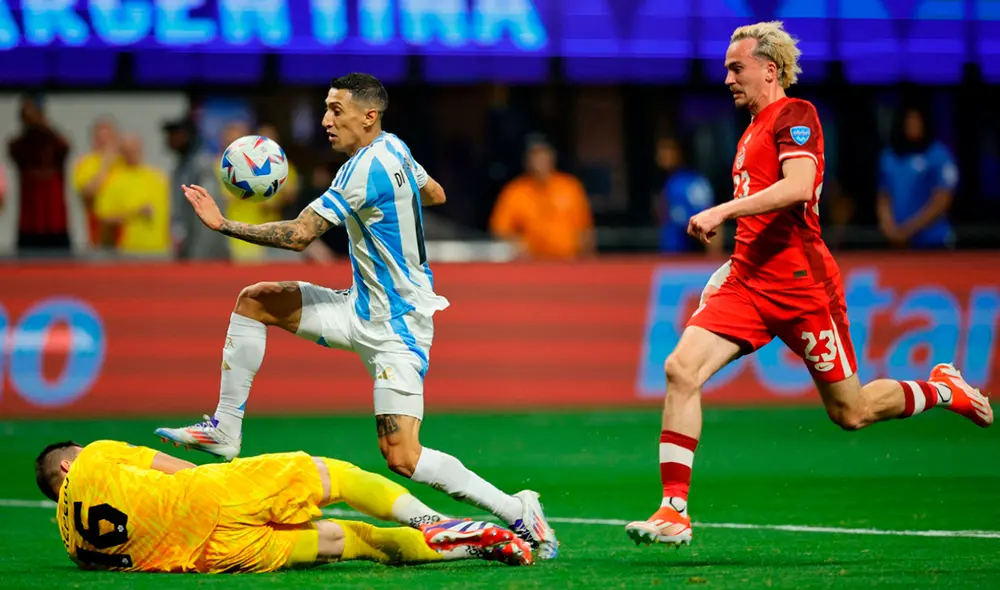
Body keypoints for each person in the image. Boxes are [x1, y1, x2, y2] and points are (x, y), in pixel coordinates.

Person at [153, 73, 559, 559]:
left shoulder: (362, 170)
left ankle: (517, 510)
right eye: (325, 109)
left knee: (402, 457)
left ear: (368, 116)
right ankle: (225, 428)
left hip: (398, 326)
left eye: (336, 110)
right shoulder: (396, 148)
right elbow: (438, 194)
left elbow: (302, 235)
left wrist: (223, 225)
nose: (326, 120)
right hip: (355, 306)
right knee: (255, 299)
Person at [625, 21, 993, 548]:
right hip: (750, 285)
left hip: (804, 290)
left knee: (851, 412)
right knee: (680, 368)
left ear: (769, 70)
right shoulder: (750, 130)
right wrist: (729, 266)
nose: (727, 78)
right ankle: (674, 509)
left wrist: (722, 211)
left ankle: (940, 388)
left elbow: (797, 188)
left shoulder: (796, 115)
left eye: (736, 68)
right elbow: (764, 222)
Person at [35, 439, 531, 572]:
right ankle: (438, 523)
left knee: (352, 542)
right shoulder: (94, 455)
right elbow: (167, 465)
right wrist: (231, 479)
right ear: (65, 468)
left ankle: (475, 550)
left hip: (219, 556)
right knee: (336, 476)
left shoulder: (75, 546)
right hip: (211, 495)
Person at [489, 134, 594, 259]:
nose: (540, 160)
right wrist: (516, 244)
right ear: (527, 160)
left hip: (568, 262)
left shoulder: (570, 187)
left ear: (552, 157)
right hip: (531, 265)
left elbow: (585, 231)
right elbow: (499, 230)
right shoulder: (515, 191)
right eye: (535, 155)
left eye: (543, 154)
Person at [877, 105, 958, 249]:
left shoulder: (939, 155)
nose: (913, 125)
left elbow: (942, 200)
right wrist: (889, 229)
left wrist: (908, 230)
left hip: (934, 243)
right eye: (909, 121)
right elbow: (883, 197)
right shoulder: (889, 157)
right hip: (899, 245)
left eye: (917, 121)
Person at [7, 94, 71, 254]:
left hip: (55, 222)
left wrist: (42, 122)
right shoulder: (20, 144)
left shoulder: (54, 142)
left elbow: (65, 146)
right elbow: (13, 150)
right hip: (29, 222)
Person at [163, 116, 230, 260]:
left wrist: (198, 258)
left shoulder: (201, 166)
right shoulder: (181, 166)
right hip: (188, 250)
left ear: (187, 136)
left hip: (206, 257)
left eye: (175, 134)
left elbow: (207, 214)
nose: (170, 139)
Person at [93, 134, 171, 258]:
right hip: (127, 252)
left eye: (136, 149)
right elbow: (103, 217)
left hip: (160, 250)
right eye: (128, 151)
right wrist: (134, 212)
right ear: (122, 152)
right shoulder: (113, 180)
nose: (133, 154)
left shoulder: (158, 177)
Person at [653, 135, 720, 255]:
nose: (662, 155)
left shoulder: (693, 183)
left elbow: (712, 222)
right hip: (667, 256)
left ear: (679, 152)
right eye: (661, 150)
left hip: (688, 259)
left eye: (668, 150)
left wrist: (714, 257)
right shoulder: (667, 182)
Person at [72, 116, 123, 248]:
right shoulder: (86, 163)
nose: (104, 142)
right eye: (100, 138)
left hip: (127, 237)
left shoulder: (124, 162)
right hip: (97, 235)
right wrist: (105, 166)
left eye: (108, 138)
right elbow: (87, 193)